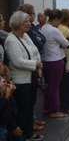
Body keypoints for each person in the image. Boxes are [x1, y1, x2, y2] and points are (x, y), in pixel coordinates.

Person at [4, 11, 43, 140]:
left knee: (30, 107)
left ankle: (29, 133)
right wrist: (36, 64)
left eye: (28, 21)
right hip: (21, 81)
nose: (29, 23)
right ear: (18, 24)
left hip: (31, 77)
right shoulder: (11, 40)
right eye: (26, 21)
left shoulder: (25, 36)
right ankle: (25, 136)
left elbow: (35, 51)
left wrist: (38, 64)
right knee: (23, 109)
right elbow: (17, 61)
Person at [40, 9, 69, 118]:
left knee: (48, 87)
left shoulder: (43, 27)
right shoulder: (54, 30)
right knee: (55, 87)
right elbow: (65, 43)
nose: (59, 23)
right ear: (56, 19)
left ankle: (47, 108)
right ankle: (54, 110)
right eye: (59, 21)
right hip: (55, 60)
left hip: (46, 60)